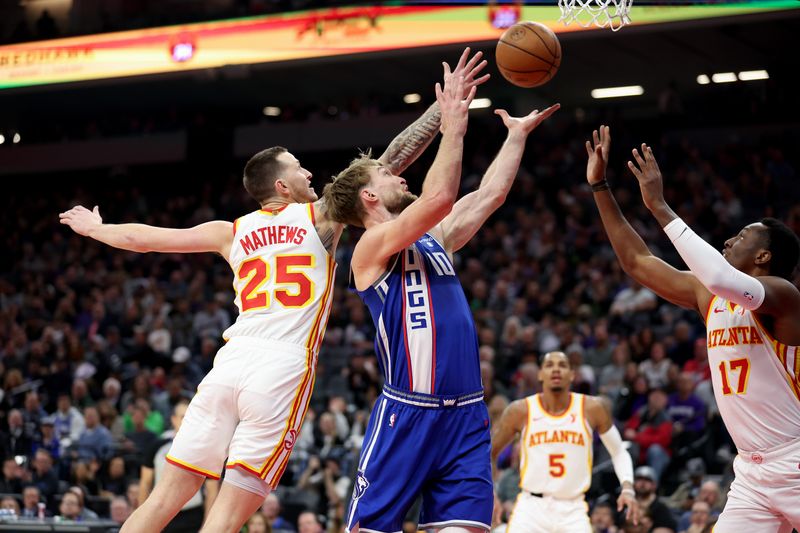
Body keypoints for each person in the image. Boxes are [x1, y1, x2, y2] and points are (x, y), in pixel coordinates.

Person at [60, 48, 488, 533]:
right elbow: (391, 159)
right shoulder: (321, 216)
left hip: (231, 361)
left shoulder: (231, 230)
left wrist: (98, 229)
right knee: (225, 515)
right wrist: (446, 108)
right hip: (280, 367)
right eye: (299, 167)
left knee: (165, 498)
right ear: (282, 185)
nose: (310, 173)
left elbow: (147, 239)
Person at [324, 61, 558, 531]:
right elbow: (439, 199)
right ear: (370, 198)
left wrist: (516, 136)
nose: (400, 178)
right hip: (407, 415)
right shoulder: (369, 249)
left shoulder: (437, 237)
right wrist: (452, 125)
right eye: (388, 177)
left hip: (467, 413)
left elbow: (489, 194)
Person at [585, 125, 800, 532]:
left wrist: (659, 206)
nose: (728, 241)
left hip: (795, 457)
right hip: (751, 474)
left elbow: (720, 277)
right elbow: (638, 262)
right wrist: (600, 187)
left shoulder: (783, 296)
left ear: (764, 255)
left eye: (741, 237)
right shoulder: (709, 295)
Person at [491, 351, 639, 532]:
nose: (556, 370)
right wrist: (490, 493)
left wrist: (627, 487)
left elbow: (618, 451)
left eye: (562, 365)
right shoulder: (520, 410)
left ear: (572, 375)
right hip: (531, 508)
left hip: (573, 508)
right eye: (549, 365)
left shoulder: (592, 408)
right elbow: (489, 453)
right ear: (540, 374)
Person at [139, 400, 219, 532]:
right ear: (174, 419)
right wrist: (143, 521)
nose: (188, 420)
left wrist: (207, 525)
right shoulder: (157, 446)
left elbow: (212, 490)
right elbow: (144, 484)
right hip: (160, 514)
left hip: (193, 516)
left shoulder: (204, 449)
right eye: (183, 416)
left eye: (191, 416)